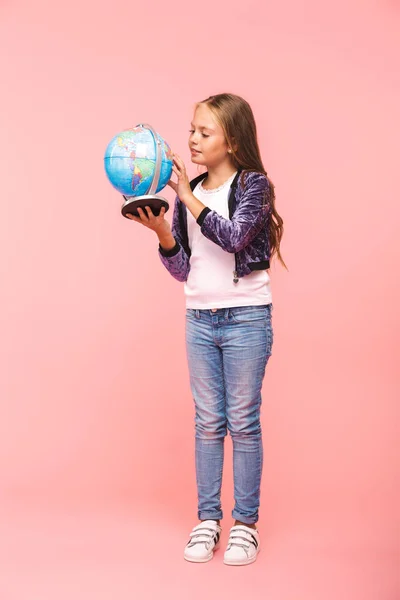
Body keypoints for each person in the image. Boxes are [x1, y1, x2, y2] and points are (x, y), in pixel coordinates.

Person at [126, 93, 286, 566]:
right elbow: (185, 271)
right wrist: (163, 234)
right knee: (207, 422)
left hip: (246, 318)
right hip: (199, 319)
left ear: (231, 140)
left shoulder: (254, 186)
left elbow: (235, 237)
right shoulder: (189, 194)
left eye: (204, 132)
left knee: (243, 421)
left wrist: (187, 198)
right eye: (191, 129)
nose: (191, 139)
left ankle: (245, 526)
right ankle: (207, 520)